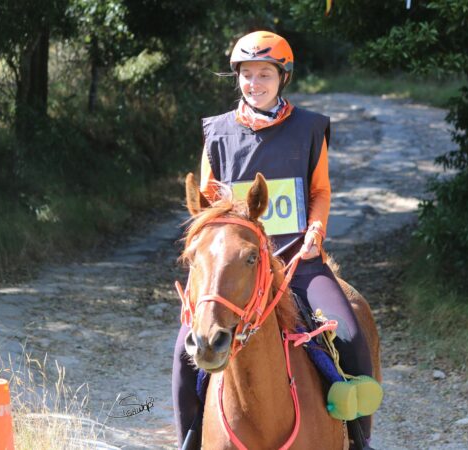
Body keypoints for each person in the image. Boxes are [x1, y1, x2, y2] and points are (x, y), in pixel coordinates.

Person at [172, 30, 377, 450]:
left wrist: (315, 234)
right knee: (183, 354)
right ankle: (190, 439)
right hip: (238, 266)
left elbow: (319, 191)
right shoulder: (218, 133)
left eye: (264, 74)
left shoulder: (309, 129)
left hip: (297, 260)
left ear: (282, 77)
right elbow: (210, 203)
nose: (254, 84)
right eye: (247, 75)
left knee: (352, 337)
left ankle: (358, 439)